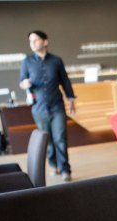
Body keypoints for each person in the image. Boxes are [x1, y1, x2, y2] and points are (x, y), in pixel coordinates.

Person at [19, 30, 76, 181]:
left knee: (60, 138)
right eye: (30, 41)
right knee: (48, 140)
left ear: (45, 42)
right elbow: (21, 82)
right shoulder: (27, 62)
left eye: (36, 40)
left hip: (57, 106)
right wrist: (25, 84)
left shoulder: (56, 60)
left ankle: (65, 169)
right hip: (38, 108)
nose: (32, 43)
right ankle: (53, 164)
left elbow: (65, 81)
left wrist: (71, 100)